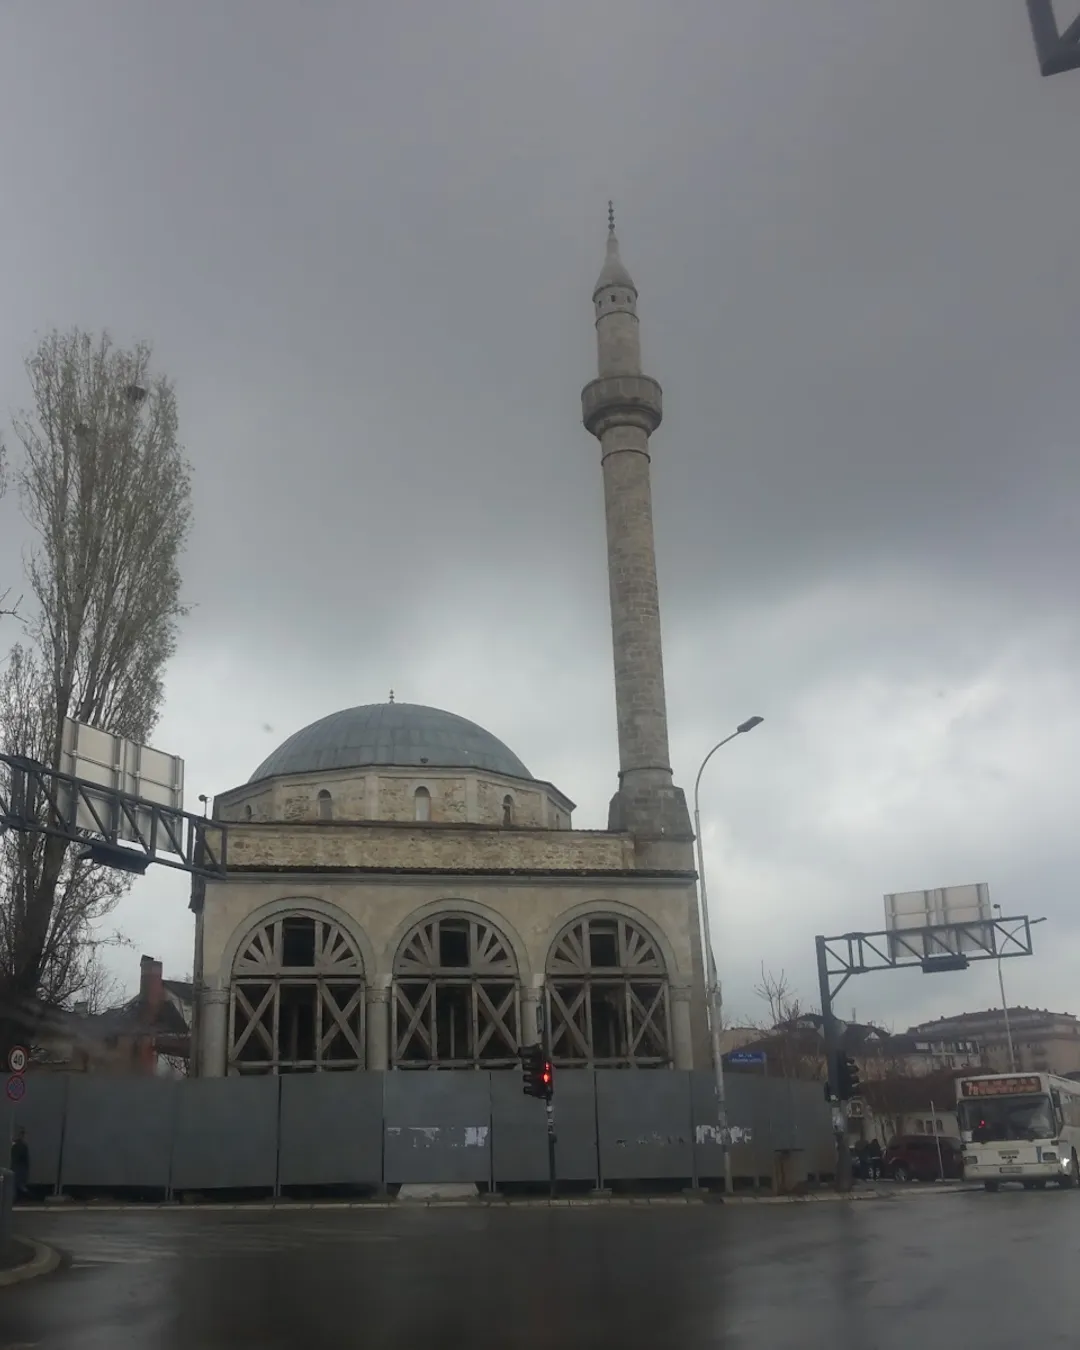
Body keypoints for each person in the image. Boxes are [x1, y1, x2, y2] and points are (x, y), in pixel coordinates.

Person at [10, 1128, 29, 1200]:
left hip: (16, 1167)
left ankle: (13, 1198)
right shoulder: (23, 1146)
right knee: (19, 1184)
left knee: (15, 1184)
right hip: (20, 1167)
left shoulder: (16, 1145)